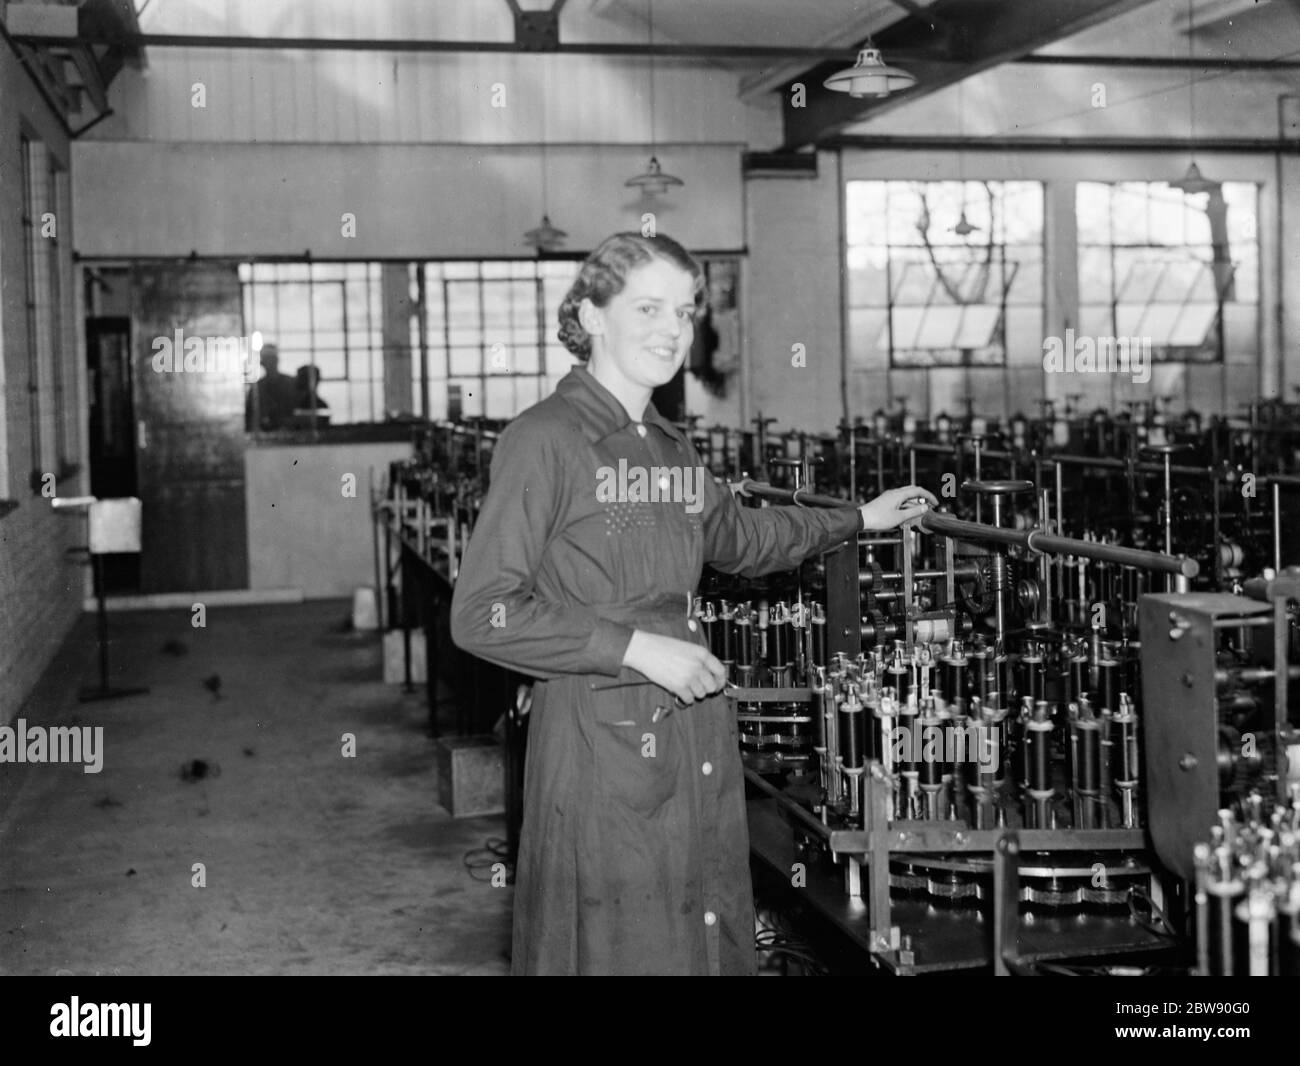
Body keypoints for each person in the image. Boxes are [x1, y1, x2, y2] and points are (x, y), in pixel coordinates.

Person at [449, 232, 936, 976]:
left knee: (697, 937)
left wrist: (858, 519)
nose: (671, 330)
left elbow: (742, 537)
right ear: (592, 315)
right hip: (596, 744)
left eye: (684, 312)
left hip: (691, 732)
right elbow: (483, 611)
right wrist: (637, 649)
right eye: (648, 307)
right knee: (621, 948)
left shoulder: (671, 449)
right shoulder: (545, 439)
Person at [245, 344, 297, 431]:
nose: (270, 364)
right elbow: (249, 416)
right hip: (265, 432)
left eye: (271, 360)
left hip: (289, 431)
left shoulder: (290, 383)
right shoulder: (258, 387)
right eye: (267, 360)